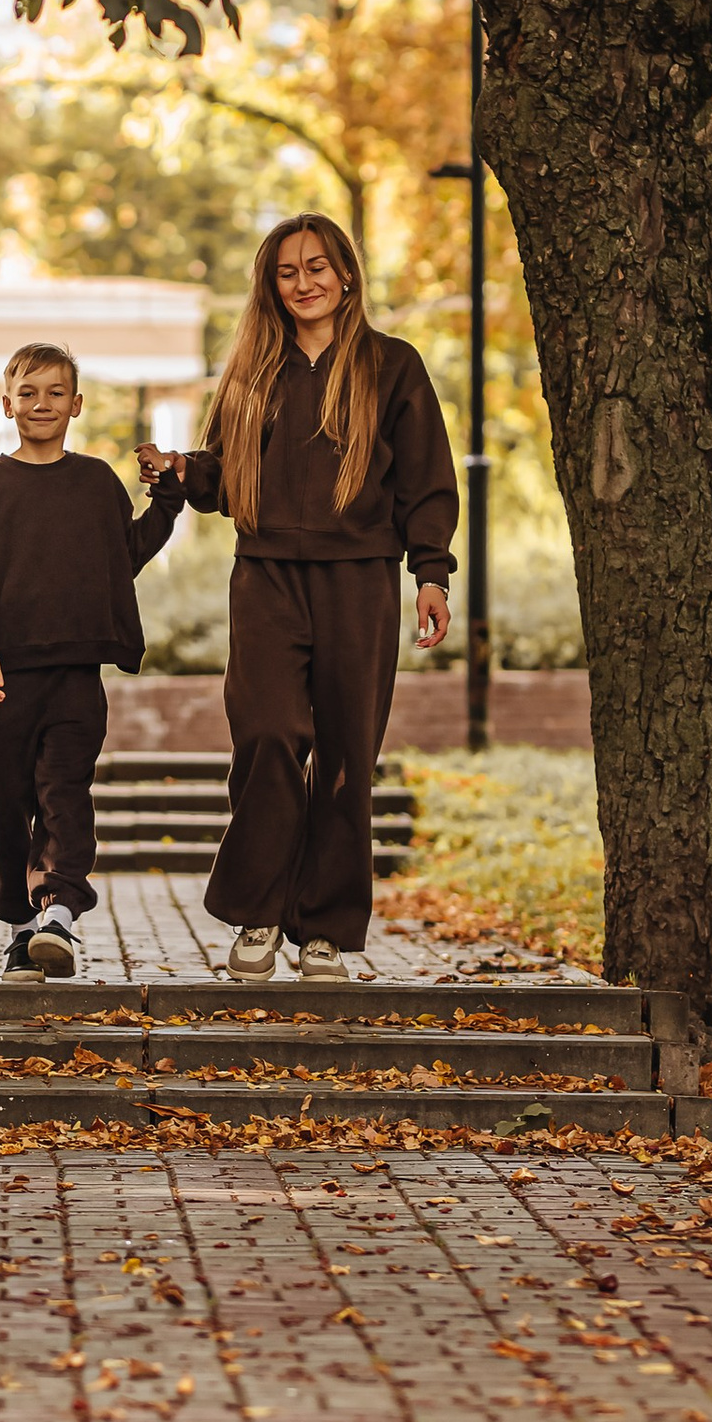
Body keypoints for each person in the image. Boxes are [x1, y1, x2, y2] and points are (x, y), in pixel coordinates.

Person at [140, 216, 454, 981]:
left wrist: (433, 574)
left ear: (346, 274)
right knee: (270, 735)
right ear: (270, 285)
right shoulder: (252, 370)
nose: (304, 281)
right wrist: (181, 469)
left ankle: (324, 930)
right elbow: (225, 477)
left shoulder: (393, 366)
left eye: (318, 266)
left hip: (362, 582)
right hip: (268, 578)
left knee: (348, 755)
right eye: (287, 271)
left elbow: (425, 481)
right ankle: (260, 910)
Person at [0, 340, 184, 977]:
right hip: (1, 680)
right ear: (7, 405)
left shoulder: (95, 481)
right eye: (28, 393)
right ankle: (22, 927)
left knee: (64, 794)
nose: (42, 403)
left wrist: (166, 499)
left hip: (77, 676)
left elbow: (122, 557)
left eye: (55, 392)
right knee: (7, 808)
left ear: (76, 405)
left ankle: (58, 910)